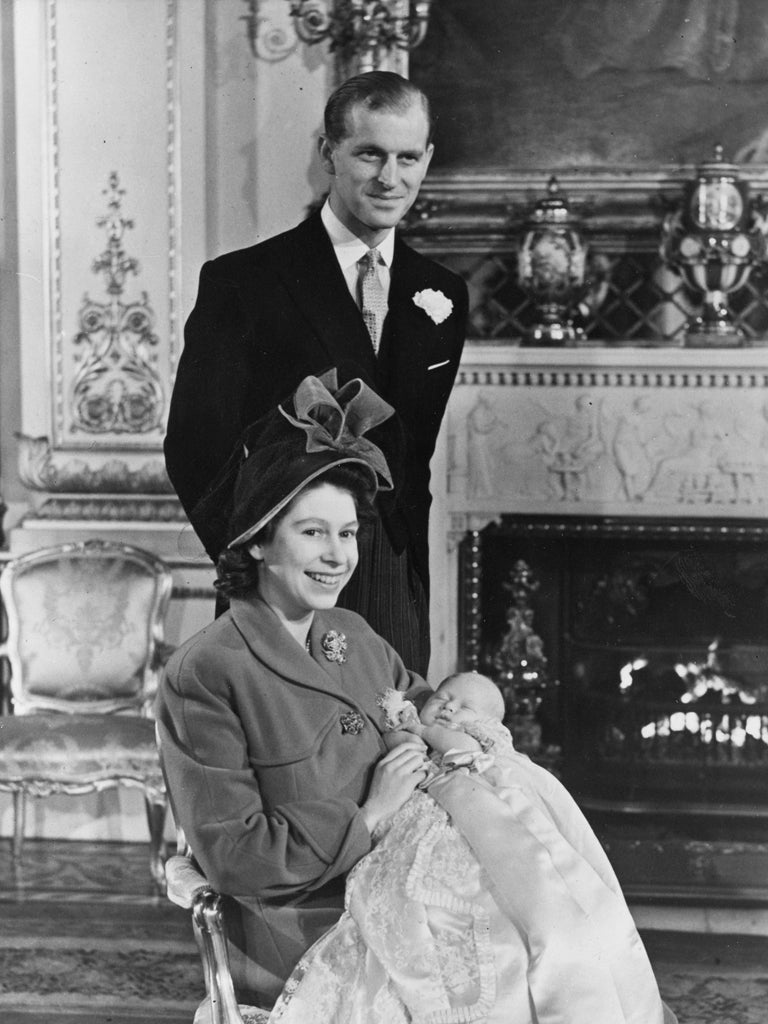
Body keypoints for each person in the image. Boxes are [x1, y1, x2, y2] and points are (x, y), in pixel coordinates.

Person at [164, 70, 469, 676]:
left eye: (408, 157)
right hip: (280, 573)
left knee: (392, 751)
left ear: (427, 159)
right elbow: (194, 445)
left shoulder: (442, 293)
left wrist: (407, 579)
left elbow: (414, 459)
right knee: (285, 758)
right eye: (370, 154)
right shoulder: (243, 281)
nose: (390, 177)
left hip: (390, 578)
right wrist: (253, 558)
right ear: (329, 152)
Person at [155, 372, 433, 1016]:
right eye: (313, 532)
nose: (338, 555)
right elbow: (236, 855)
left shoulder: (353, 634)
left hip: (394, 893)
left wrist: (459, 725)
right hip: (302, 926)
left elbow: (421, 710)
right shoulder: (207, 672)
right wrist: (370, 815)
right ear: (256, 540)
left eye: (348, 533)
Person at [269, 671, 678, 1024]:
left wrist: (424, 730)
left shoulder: (476, 743)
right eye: (443, 699)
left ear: (487, 722)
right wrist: (403, 732)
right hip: (426, 814)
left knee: (514, 884)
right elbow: (396, 747)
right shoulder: (418, 733)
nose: (448, 709)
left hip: (479, 810)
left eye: (464, 707)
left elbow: (453, 746)